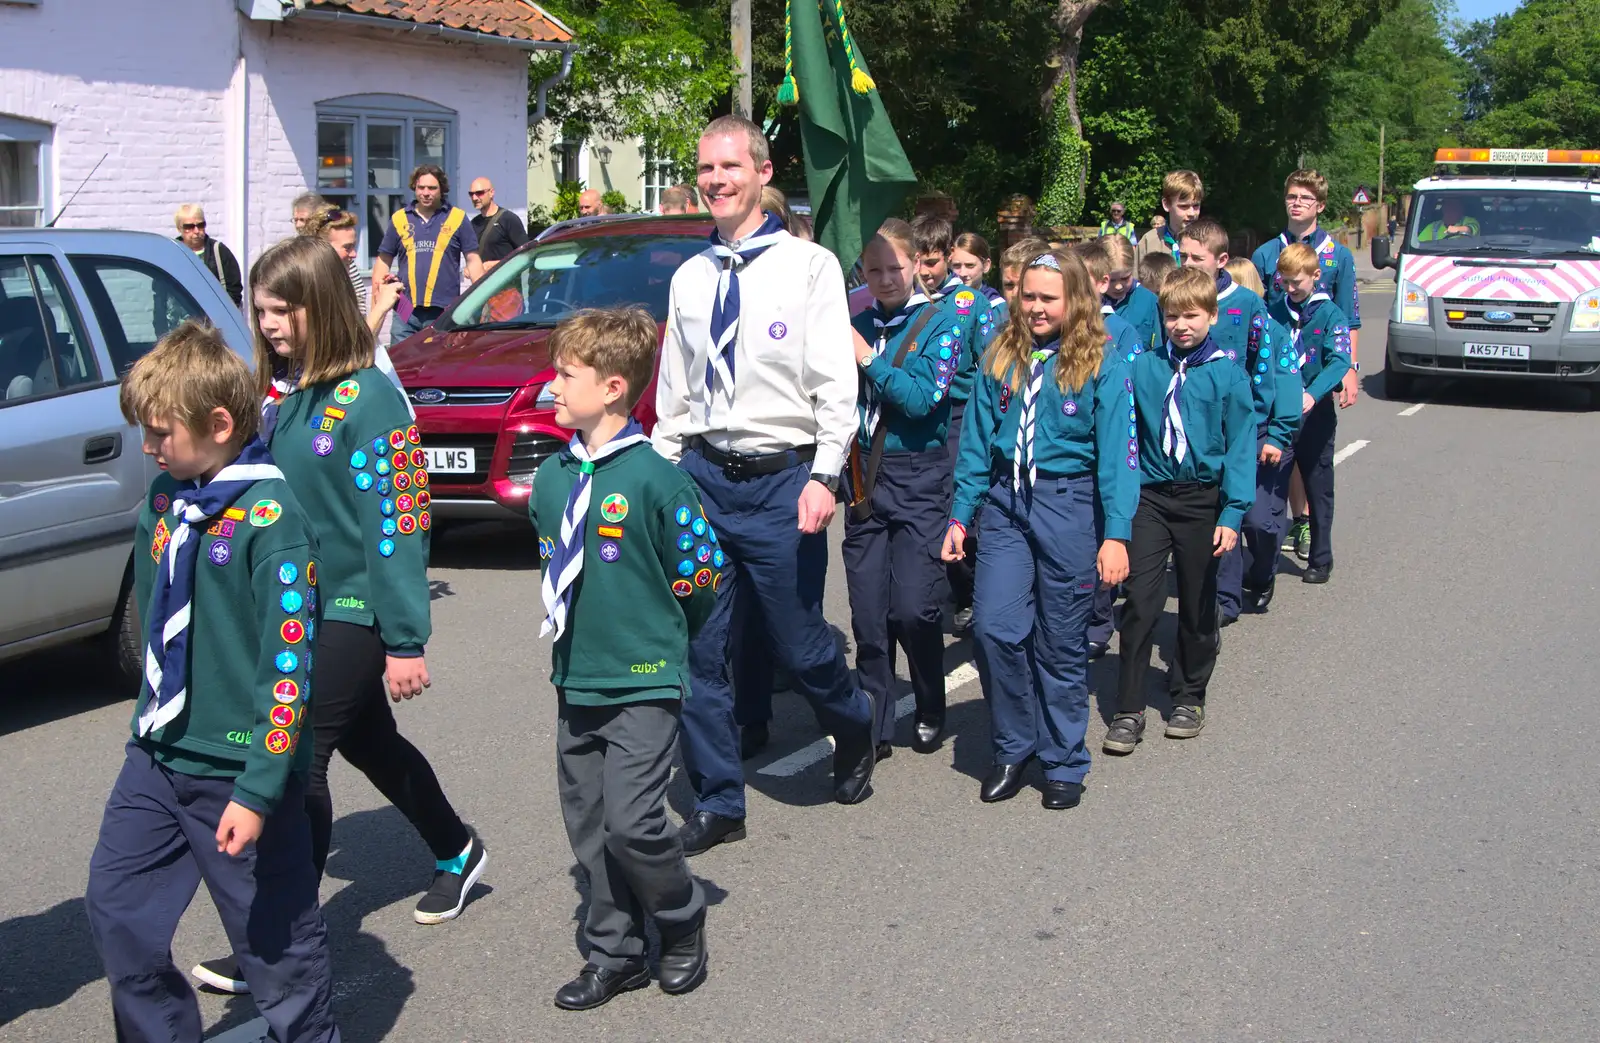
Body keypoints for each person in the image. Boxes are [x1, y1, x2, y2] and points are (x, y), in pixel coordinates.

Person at [191, 236, 487, 995]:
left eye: (282, 309)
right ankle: (456, 847)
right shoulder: (279, 391)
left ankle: (281, 930)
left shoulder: (370, 396)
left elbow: (398, 520)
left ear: (321, 304)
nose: (269, 324)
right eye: (259, 311)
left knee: (297, 757)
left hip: (352, 605)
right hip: (296, 604)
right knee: (370, 743)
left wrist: (404, 636)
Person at [87, 322, 340, 1042]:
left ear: (220, 423)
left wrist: (259, 790)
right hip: (159, 758)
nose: (148, 446)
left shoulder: (272, 520)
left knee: (278, 950)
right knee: (118, 914)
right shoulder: (166, 504)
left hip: (239, 770)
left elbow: (287, 671)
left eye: (160, 431)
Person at [652, 114, 878, 855]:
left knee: (798, 642)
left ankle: (853, 721)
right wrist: (662, 478)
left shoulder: (807, 269)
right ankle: (720, 798)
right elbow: (675, 395)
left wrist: (823, 478)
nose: (715, 180)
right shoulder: (689, 278)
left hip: (784, 483)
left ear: (762, 172)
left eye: (729, 167)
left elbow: (834, 388)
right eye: (706, 169)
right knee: (698, 647)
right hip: (705, 480)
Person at [530, 307, 716, 1010]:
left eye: (564, 375)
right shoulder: (551, 477)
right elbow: (552, 563)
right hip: (577, 676)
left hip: (642, 677)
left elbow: (700, 574)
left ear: (612, 387)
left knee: (634, 821)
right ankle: (617, 950)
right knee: (589, 827)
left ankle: (680, 917)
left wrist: (659, 641)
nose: (551, 386)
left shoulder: (654, 478)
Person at [943, 248, 1136, 807]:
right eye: (1026, 295)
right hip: (1007, 502)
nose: (1034, 307)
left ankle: (1064, 759)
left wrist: (1116, 533)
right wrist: (961, 515)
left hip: (1069, 503)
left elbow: (1118, 458)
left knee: (1060, 642)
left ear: (1075, 300)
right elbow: (977, 440)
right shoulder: (1001, 354)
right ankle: (1013, 743)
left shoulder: (1102, 361)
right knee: (997, 629)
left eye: (1047, 298)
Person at [1104, 266, 1254, 755]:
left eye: (1191, 315)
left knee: (1195, 601)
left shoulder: (1227, 373)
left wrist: (1232, 514)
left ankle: (1189, 693)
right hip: (1151, 497)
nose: (1181, 325)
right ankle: (1128, 708)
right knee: (1141, 603)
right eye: (1172, 316)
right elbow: (1125, 437)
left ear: (1212, 315)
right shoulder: (1143, 368)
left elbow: (1239, 446)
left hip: (1201, 500)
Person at [845, 219, 964, 760]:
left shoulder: (941, 323)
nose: (886, 278)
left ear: (917, 264)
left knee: (914, 608)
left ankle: (930, 702)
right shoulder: (854, 320)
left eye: (895, 267)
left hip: (919, 475)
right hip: (863, 478)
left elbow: (921, 400)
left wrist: (866, 358)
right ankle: (874, 722)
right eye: (875, 269)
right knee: (870, 615)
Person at [1175, 217, 1296, 626]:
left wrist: (1274, 429)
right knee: (1218, 515)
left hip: (1250, 429)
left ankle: (1260, 573)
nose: (1188, 263)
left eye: (1197, 257)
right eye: (1182, 255)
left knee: (1258, 521)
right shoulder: (1173, 302)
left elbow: (1270, 368)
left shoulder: (1247, 304)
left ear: (1221, 260)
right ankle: (1224, 600)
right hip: (1201, 435)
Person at [1250, 171, 1365, 554]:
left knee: (1312, 460)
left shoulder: (1338, 253)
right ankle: (1290, 523)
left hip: (1318, 369)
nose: (1297, 202)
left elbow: (1348, 316)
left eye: (1305, 197)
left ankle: (1308, 527)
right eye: (1292, 196)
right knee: (1280, 456)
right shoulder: (1266, 253)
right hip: (1278, 370)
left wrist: (1350, 368)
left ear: (1319, 204)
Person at [913, 216, 998, 633]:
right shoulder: (902, 301)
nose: (925, 272)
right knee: (922, 506)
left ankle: (971, 592)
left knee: (959, 503)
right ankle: (935, 585)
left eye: (932, 261)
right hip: (914, 417)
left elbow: (991, 364)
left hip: (958, 415)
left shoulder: (969, 303)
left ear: (947, 258)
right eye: (918, 262)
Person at [1073, 239, 1149, 659]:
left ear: (1101, 283)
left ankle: (1099, 620)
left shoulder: (1120, 330)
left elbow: (1136, 383)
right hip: (1081, 447)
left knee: (1104, 530)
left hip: (1114, 439)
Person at [1268, 243, 1352, 586]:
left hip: (1314, 415)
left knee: (1318, 487)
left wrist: (1312, 394)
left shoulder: (1330, 314)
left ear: (1316, 276)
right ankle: (1265, 558)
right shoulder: (1274, 311)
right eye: (1284, 282)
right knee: (1271, 486)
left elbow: (1339, 361)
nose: (1290, 289)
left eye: (1296, 282)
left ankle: (1321, 557)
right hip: (1279, 414)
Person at [1225, 257, 1301, 612]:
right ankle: (1226, 593)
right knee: (1228, 517)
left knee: (1260, 521)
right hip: (1231, 438)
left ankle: (1263, 572)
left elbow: (1286, 384)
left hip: (1266, 434)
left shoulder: (1273, 332)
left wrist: (1279, 435)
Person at [372, 164, 484, 343]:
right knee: (401, 366)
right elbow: (383, 260)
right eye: (421, 187)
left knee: (440, 366)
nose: (426, 192)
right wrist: (376, 306)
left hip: (445, 310)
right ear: (414, 188)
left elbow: (473, 259)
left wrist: (482, 299)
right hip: (405, 309)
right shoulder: (399, 218)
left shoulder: (457, 218)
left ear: (442, 190)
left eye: (432, 188)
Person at [301, 206, 400, 337]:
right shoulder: (314, 287)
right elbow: (358, 345)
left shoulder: (345, 272)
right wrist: (382, 306)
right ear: (321, 247)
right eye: (347, 248)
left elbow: (363, 329)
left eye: (354, 246)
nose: (354, 254)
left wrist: (379, 298)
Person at [174, 204, 243, 307]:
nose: (196, 231)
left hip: (212, 320)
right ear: (179, 228)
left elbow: (234, 290)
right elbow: (160, 291)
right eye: (190, 227)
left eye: (201, 225)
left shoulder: (219, 251)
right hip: (178, 320)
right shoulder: (173, 253)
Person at [1100, 234, 1161, 349]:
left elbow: (1157, 347)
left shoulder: (1149, 301)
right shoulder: (1089, 301)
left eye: (1125, 278)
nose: (1118, 286)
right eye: (1111, 280)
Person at [1135, 170, 1203, 267]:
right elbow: (1136, 280)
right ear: (1166, 204)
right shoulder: (1149, 242)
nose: (1192, 213)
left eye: (1196, 206)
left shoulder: (1207, 242)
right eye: (1184, 206)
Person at [468, 177, 529, 270]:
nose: (474, 198)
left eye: (479, 193)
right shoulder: (474, 223)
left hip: (506, 281)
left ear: (491, 193)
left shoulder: (508, 219)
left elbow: (526, 254)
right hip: (483, 282)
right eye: (471, 194)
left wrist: (496, 264)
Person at [1416, 195, 1480, 242]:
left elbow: (1471, 229)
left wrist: (1458, 229)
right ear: (1443, 209)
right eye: (1448, 205)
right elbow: (1419, 244)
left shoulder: (1469, 220)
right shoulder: (1433, 227)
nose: (1451, 209)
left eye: (1455, 206)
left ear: (1461, 209)